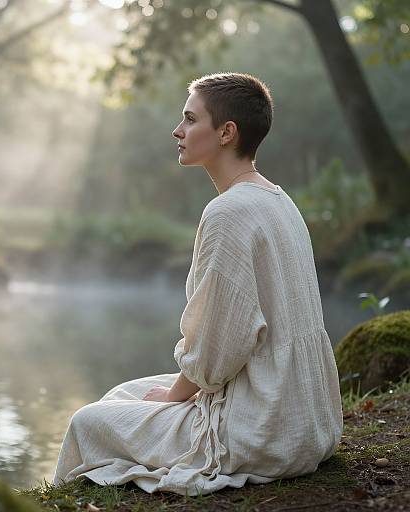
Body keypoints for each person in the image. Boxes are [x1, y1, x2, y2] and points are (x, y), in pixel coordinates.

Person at [52, 72, 343, 496]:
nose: (178, 130)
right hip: (309, 420)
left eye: (190, 119)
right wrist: (174, 392)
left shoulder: (229, 213)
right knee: (122, 393)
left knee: (87, 421)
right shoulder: (279, 200)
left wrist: (174, 398)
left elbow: (214, 353)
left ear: (226, 132)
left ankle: (64, 501)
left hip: (261, 432)